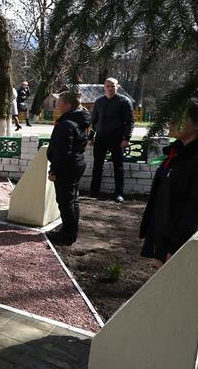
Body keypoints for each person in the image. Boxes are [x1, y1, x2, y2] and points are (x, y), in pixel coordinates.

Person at [140, 97, 198, 267]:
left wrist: (175, 249)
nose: (171, 120)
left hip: (181, 250)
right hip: (165, 242)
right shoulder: (178, 156)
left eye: (180, 116)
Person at [45, 91, 90, 246]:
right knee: (72, 200)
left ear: (67, 105)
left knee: (65, 202)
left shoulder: (66, 124)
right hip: (76, 164)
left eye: (59, 102)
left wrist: (54, 171)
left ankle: (67, 235)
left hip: (67, 167)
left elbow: (62, 151)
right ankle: (70, 231)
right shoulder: (78, 119)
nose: (56, 105)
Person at [88, 78, 135, 202]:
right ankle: (94, 191)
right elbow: (94, 121)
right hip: (101, 138)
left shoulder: (124, 101)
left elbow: (129, 122)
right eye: (108, 86)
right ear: (104, 87)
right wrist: (90, 137)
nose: (110, 88)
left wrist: (126, 138)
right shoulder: (99, 102)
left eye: (112, 86)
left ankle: (119, 193)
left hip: (117, 138)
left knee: (118, 166)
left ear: (117, 87)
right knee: (97, 165)